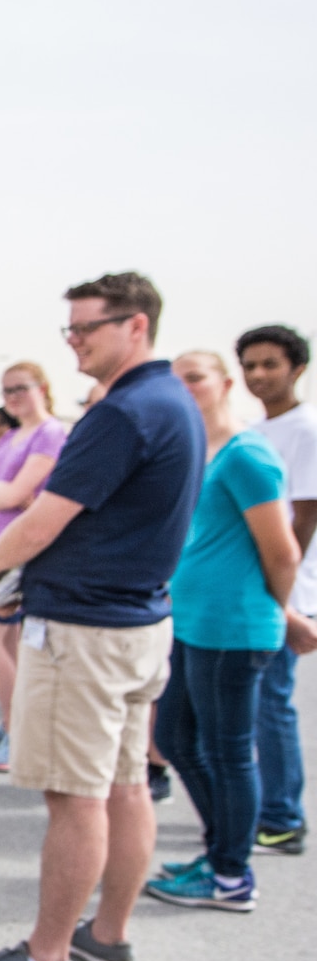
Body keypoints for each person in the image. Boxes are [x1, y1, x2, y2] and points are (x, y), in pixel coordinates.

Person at [0, 271, 202, 961]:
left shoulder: (123, 411)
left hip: (86, 630)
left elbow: (45, 515)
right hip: (136, 622)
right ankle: (109, 934)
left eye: (87, 327)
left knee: (76, 797)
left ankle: (46, 956)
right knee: (123, 787)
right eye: (71, 329)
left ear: (136, 327)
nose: (75, 342)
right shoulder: (172, 403)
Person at [143, 352, 298, 911]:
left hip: (234, 628)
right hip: (191, 622)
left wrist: (280, 615)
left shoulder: (246, 455)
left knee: (229, 751)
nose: (184, 388)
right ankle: (219, 852)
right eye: (176, 379)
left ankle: (232, 875)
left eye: (195, 377)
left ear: (224, 384)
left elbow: (282, 552)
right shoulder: (195, 451)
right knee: (180, 740)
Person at [0, 363, 69, 773]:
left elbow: (18, 494)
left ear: (43, 387)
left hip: (15, 549)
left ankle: (21, 736)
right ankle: (10, 724)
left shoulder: (50, 433)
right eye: (6, 391)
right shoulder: (9, 436)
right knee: (6, 646)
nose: (13, 397)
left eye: (21, 388)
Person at [239, 324, 317, 856]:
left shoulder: (306, 431)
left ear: (297, 368)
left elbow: (304, 519)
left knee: (271, 705)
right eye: (249, 365)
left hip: (284, 589)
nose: (258, 375)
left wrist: (281, 597)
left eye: (269, 364)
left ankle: (283, 818)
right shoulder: (256, 430)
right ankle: (258, 808)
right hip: (250, 585)